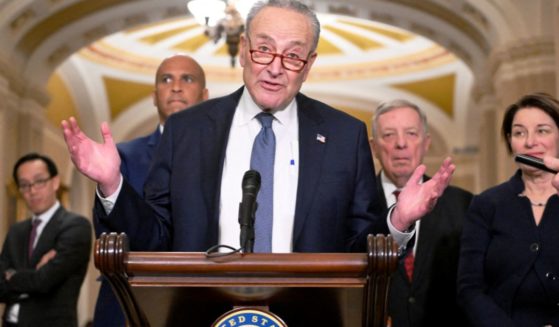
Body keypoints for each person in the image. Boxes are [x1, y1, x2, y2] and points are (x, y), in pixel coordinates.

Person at [62, 0, 454, 256]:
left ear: (310, 64)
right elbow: (155, 240)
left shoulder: (344, 136)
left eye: (294, 55)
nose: (275, 66)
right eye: (264, 48)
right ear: (246, 48)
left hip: (309, 311)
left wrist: (398, 222)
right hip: (200, 308)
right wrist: (113, 185)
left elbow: (359, 248)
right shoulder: (187, 130)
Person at [92, 54, 208, 326]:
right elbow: (108, 233)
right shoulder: (123, 156)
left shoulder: (225, 155)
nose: (176, 86)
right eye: (166, 79)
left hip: (202, 300)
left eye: (187, 79)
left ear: (205, 95)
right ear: (155, 96)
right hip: (127, 301)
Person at [457, 92, 559, 326]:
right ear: (510, 142)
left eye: (542, 130)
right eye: (519, 132)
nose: (530, 142)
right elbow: (469, 289)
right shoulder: (487, 204)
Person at [370, 99, 472, 327]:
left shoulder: (463, 205)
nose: (401, 144)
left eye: (411, 133)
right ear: (374, 147)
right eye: (388, 135)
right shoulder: (355, 204)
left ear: (426, 143)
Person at [0, 153, 92, 327]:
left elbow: (44, 281)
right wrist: (33, 278)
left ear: (55, 182)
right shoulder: (16, 231)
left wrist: (11, 276)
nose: (32, 191)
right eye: (24, 185)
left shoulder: (76, 226)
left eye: (39, 181)